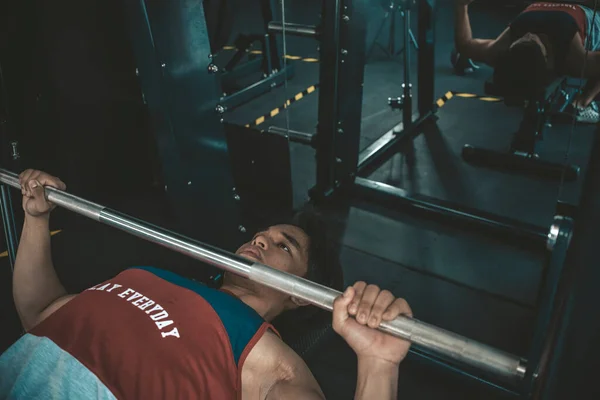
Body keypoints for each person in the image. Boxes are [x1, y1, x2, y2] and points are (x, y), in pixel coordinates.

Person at [0, 169, 413, 400]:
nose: (261, 240)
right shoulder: (150, 276)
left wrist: (378, 365)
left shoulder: (268, 360)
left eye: (284, 247)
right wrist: (37, 220)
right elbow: (40, 311)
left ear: (300, 295)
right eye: (260, 236)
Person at [455, 0, 600, 123]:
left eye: (523, 39)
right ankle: (582, 104)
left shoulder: (502, 47)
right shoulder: (574, 60)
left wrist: (461, 6)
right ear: (546, 55)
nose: (530, 34)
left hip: (540, 9)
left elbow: (465, 45)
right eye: (534, 41)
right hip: (582, 16)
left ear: (512, 47)